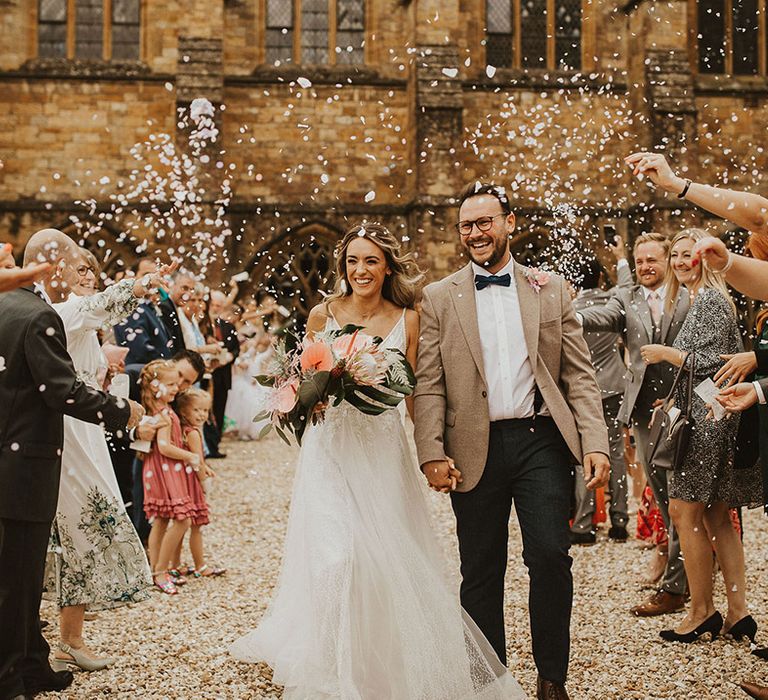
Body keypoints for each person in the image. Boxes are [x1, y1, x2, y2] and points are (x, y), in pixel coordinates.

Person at [231, 222, 525, 699]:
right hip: (329, 453)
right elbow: (303, 378)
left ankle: (380, 657)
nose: (361, 270)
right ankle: (331, 666)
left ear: (387, 265)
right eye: (352, 261)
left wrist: (434, 450)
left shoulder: (409, 317)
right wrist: (300, 403)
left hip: (383, 453)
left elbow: (417, 394)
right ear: (343, 266)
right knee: (336, 557)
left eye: (370, 260)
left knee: (382, 558)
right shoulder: (323, 313)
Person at [413, 183, 610, 700]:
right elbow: (429, 382)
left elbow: (579, 376)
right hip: (472, 447)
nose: (476, 233)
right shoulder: (438, 297)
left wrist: (595, 442)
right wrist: (431, 450)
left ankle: (552, 679)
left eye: (485, 222)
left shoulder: (551, 289)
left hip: (538, 439)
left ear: (508, 222)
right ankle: (489, 684)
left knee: (549, 555)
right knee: (480, 568)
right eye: (467, 226)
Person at [0, 228, 142, 700]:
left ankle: (33, 661)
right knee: (17, 576)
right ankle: (10, 679)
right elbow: (59, 390)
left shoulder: (9, 307)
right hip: (30, 459)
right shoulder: (37, 312)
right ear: (49, 263)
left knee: (20, 574)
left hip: (18, 455)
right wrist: (124, 412)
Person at [45, 251, 172, 673]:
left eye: (92, 270)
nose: (89, 276)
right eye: (80, 268)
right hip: (67, 431)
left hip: (89, 430)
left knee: (81, 530)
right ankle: (64, 637)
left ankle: (69, 638)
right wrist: (140, 284)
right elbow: (97, 304)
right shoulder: (59, 310)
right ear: (53, 270)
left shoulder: (85, 321)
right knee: (81, 528)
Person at [640, 228, 761, 644]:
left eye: (687, 254)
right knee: (716, 515)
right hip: (714, 411)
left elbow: (707, 361)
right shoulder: (705, 299)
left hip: (708, 422)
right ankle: (738, 612)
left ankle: (701, 611)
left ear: (705, 258)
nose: (679, 261)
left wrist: (665, 354)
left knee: (683, 512)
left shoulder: (709, 298)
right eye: (674, 254)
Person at [578, 232, 691, 617]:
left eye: (652, 260)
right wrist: (568, 314)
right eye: (639, 260)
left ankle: (678, 586)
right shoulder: (627, 298)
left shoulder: (689, 295)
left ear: (667, 262)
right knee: (664, 499)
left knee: (685, 501)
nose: (645, 266)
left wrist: (682, 394)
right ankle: (680, 577)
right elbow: (602, 317)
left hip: (687, 411)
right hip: (644, 414)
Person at [568, 252, 632, 545]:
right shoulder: (612, 303)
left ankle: (584, 525)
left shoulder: (569, 308)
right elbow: (627, 290)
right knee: (616, 453)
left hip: (582, 393)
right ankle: (620, 521)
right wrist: (621, 260)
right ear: (600, 278)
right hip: (614, 387)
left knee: (584, 455)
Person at [139, 360, 202, 594]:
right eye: (171, 384)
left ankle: (155, 570)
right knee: (182, 519)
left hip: (162, 468)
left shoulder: (161, 410)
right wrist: (190, 456)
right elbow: (164, 446)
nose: (177, 388)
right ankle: (160, 570)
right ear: (156, 387)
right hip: (165, 468)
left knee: (162, 520)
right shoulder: (163, 413)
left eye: (177, 383)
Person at [171, 388, 225, 578]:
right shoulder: (193, 433)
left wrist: (205, 465)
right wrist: (204, 482)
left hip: (183, 480)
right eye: (197, 410)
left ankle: (175, 564)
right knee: (196, 527)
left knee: (182, 524)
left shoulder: (182, 430)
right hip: (192, 484)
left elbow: (198, 459)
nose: (202, 414)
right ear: (184, 411)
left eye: (205, 410)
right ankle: (201, 565)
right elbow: (196, 461)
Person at [206, 290, 240, 457]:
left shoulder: (228, 326)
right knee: (205, 411)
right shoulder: (203, 325)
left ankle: (215, 446)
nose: (215, 308)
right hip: (207, 375)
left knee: (219, 410)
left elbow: (236, 349)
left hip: (223, 375)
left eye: (218, 306)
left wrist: (229, 358)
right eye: (213, 305)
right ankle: (205, 446)